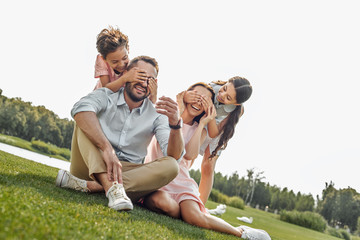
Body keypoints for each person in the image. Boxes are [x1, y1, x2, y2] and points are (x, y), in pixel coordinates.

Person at [55, 55, 184, 211]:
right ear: (127, 75)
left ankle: (93, 187)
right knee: (84, 118)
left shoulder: (157, 114)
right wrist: (106, 148)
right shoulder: (107, 95)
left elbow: (174, 155)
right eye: (140, 75)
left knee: (172, 165)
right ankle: (110, 187)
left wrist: (176, 124)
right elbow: (80, 109)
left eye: (149, 80)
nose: (144, 83)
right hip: (89, 166)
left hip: (126, 172)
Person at [143, 83, 270, 239]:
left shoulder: (201, 128)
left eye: (203, 101)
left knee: (195, 211)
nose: (198, 101)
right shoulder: (168, 114)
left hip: (181, 183)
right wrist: (182, 101)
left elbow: (190, 154)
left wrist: (203, 122)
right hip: (158, 181)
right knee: (160, 202)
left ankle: (241, 232)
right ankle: (188, 211)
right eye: (196, 96)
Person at [184, 77, 252, 204]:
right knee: (189, 154)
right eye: (224, 89)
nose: (222, 95)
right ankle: (179, 185)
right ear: (225, 83)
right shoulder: (212, 87)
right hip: (202, 120)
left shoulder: (237, 110)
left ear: (236, 103)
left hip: (217, 129)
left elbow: (214, 133)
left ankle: (200, 205)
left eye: (228, 98)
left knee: (208, 165)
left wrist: (212, 113)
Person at [93, 26, 157, 103]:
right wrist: (125, 78)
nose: (121, 64)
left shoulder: (133, 67)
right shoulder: (101, 60)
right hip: (101, 100)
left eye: (124, 58)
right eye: (115, 62)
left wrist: (153, 95)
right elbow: (106, 90)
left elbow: (145, 101)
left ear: (128, 49)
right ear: (104, 59)